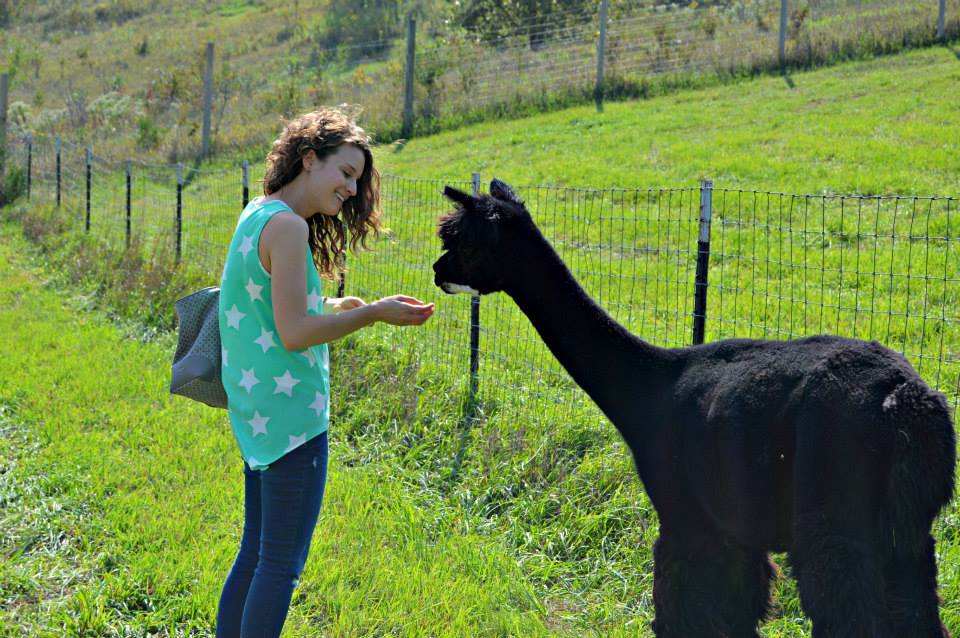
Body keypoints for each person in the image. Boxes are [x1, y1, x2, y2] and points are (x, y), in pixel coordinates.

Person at [215, 108, 434, 638]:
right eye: (347, 173)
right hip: (293, 424)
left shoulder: (259, 213)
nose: (352, 190)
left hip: (258, 416)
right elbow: (293, 333)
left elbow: (272, 309)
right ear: (309, 159)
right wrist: (373, 313)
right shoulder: (289, 229)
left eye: (357, 181)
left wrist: (334, 307)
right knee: (278, 567)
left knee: (254, 555)